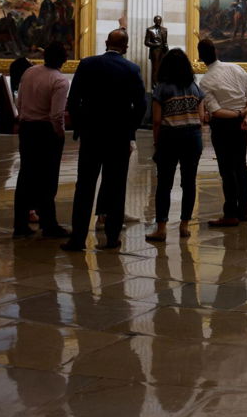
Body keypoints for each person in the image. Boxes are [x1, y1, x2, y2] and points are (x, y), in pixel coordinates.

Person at [61, 29, 146, 252]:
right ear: (125, 47)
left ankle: (77, 238)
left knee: (85, 186)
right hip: (118, 137)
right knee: (116, 186)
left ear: (106, 42)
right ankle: (111, 237)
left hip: (91, 135)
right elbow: (141, 106)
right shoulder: (132, 69)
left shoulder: (87, 64)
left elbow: (73, 100)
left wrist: (81, 126)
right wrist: (129, 131)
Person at [12, 41, 70, 238]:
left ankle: (19, 225)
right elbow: (57, 115)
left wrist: (24, 118)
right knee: (48, 178)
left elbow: (19, 101)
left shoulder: (29, 72)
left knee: (25, 176)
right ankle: (49, 224)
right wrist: (60, 133)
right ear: (64, 60)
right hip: (46, 131)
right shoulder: (60, 81)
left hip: (27, 128)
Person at [146, 48, 204, 241]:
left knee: (164, 184)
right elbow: (202, 117)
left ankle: (161, 227)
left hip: (170, 137)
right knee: (189, 183)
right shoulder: (195, 87)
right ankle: (184, 225)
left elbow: (155, 120)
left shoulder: (161, 88)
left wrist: (156, 142)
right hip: (193, 137)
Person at [198, 38, 247, 227]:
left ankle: (230, 213)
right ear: (216, 52)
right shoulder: (236, 68)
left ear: (201, 57)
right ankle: (243, 211)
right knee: (241, 166)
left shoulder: (205, 81)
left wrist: (239, 114)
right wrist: (245, 117)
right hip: (241, 125)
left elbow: (216, 112)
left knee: (227, 169)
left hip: (224, 126)